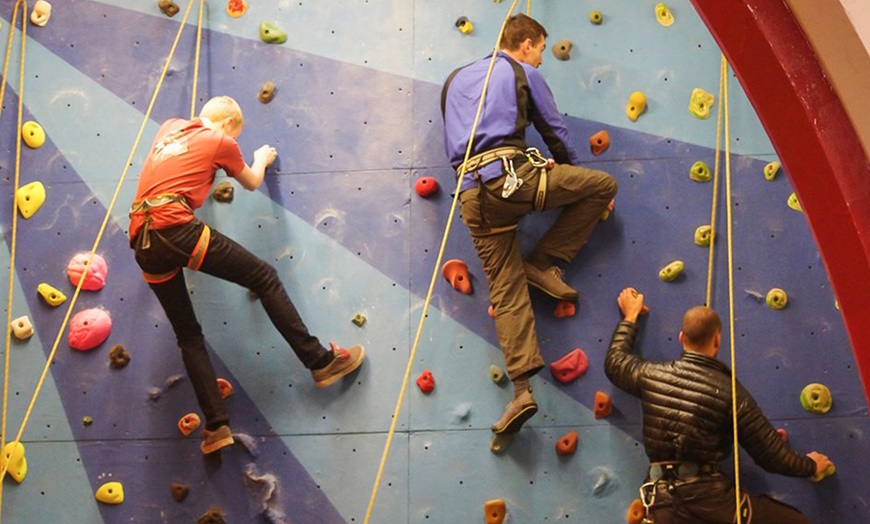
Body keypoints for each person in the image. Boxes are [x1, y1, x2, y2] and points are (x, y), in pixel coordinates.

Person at [128, 96, 365, 454]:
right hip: (174, 227)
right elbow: (251, 182)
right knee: (264, 277)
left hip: (141, 237)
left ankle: (217, 426)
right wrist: (261, 159)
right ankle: (320, 362)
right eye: (235, 133)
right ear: (227, 125)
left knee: (187, 335)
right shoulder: (221, 140)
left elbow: (179, 172)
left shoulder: (169, 127)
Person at [441, 14, 617, 435]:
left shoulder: (453, 81)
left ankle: (521, 390)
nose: (541, 58)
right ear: (525, 44)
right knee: (600, 186)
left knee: (505, 287)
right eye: (540, 49)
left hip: (471, 195)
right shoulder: (520, 70)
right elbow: (553, 130)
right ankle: (543, 263)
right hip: (511, 180)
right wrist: (573, 176)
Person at [605, 287, 833, 523]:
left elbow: (615, 362)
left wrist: (630, 316)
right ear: (717, 340)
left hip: (661, 505)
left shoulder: (651, 375)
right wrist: (810, 466)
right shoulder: (730, 393)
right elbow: (771, 456)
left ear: (682, 338)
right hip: (713, 505)